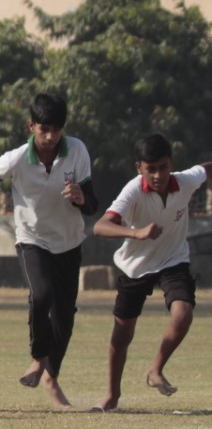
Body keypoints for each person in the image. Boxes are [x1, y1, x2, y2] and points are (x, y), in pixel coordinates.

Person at [0, 92, 99, 409]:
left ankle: (52, 377)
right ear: (31, 126)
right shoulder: (14, 159)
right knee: (41, 296)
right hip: (32, 240)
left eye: (57, 130)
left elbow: (93, 205)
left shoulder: (77, 150)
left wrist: (82, 197)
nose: (51, 137)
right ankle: (38, 359)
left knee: (65, 318)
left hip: (69, 242)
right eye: (44, 130)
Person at [89, 133, 211, 411]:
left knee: (183, 314)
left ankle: (155, 370)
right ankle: (112, 395)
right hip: (136, 266)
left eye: (164, 167)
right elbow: (100, 226)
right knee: (121, 336)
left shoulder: (187, 180)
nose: (158, 174)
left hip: (173, 261)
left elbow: (206, 169)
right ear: (139, 168)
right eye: (151, 168)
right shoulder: (133, 191)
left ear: (172, 164)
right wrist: (137, 233)